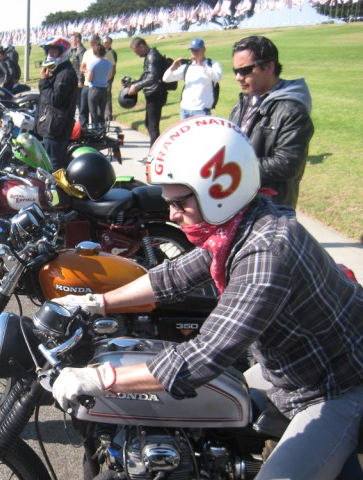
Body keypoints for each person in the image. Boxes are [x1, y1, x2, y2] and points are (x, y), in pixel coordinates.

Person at [52, 116, 363, 480]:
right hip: (288, 370)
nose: (171, 213)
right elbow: (173, 276)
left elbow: (204, 355)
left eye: (180, 202)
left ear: (221, 189)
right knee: (207, 420)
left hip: (334, 388)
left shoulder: (268, 251)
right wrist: (95, 302)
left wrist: (100, 378)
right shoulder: (237, 226)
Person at [229, 35, 314, 209]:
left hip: (270, 207)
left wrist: (233, 168)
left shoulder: (292, 110)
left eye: (244, 70)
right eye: (235, 71)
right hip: (240, 199)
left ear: (268, 67)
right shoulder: (245, 101)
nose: (238, 77)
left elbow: (287, 164)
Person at [34, 36, 79, 171]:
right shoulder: (57, 72)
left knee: (54, 169)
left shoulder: (66, 74)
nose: (50, 55)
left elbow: (55, 100)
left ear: (62, 52)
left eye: (53, 51)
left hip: (56, 130)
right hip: (50, 127)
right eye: (48, 51)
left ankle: (57, 192)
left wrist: (43, 82)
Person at [163, 38, 223, 119]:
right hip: (185, 110)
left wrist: (201, 64)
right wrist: (173, 66)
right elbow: (166, 79)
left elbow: (217, 77)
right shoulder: (187, 66)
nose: (194, 53)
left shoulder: (212, 64)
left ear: (204, 50)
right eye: (192, 50)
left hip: (201, 110)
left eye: (197, 50)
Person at [128, 37, 168, 150]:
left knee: (152, 126)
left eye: (136, 51)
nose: (136, 54)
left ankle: (154, 154)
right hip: (154, 93)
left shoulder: (152, 56)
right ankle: (155, 150)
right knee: (149, 124)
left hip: (156, 94)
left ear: (142, 46)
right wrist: (134, 82)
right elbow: (147, 75)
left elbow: (152, 77)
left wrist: (137, 86)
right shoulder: (150, 55)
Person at [79, 35, 116, 127]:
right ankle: (84, 128)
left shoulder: (107, 55)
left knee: (95, 113)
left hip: (94, 86)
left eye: (93, 43)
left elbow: (112, 70)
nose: (91, 45)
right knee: (84, 109)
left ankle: (96, 131)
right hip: (89, 86)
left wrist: (89, 74)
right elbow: (82, 67)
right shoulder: (87, 53)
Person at [86, 44, 113, 127]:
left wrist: (86, 74)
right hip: (104, 89)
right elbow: (109, 76)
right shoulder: (109, 63)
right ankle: (102, 131)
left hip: (94, 89)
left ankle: (95, 131)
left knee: (94, 114)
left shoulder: (93, 64)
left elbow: (89, 79)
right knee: (101, 113)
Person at [69, 33, 86, 111]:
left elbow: (82, 66)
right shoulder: (75, 50)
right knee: (77, 101)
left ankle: (82, 121)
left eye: (72, 39)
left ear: (77, 39)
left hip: (79, 80)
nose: (71, 41)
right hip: (74, 78)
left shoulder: (81, 51)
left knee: (80, 101)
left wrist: (80, 81)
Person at [103, 36, 118, 122]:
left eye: (106, 43)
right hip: (103, 76)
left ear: (110, 43)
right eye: (103, 42)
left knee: (107, 94)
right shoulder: (105, 52)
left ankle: (108, 114)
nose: (104, 44)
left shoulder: (111, 53)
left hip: (108, 76)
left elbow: (112, 66)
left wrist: (110, 76)